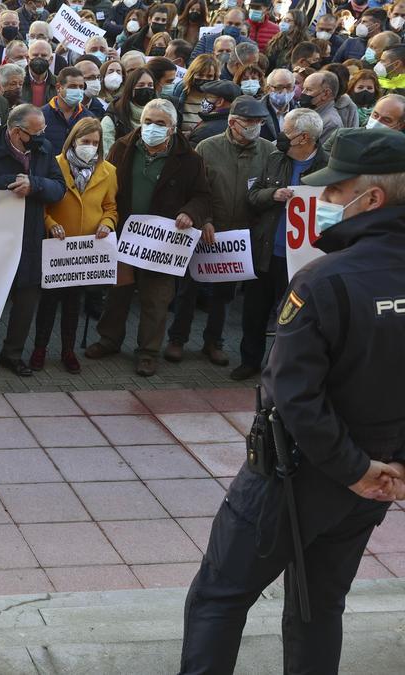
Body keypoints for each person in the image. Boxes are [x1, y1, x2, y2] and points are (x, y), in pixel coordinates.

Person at [180, 127, 405, 674]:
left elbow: (294, 395)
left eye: (332, 192)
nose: (322, 201)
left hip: (295, 475)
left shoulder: (326, 279)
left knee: (219, 596)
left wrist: (353, 469)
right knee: (318, 606)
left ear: (371, 199)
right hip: (376, 478)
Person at [86, 98, 210, 377]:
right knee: (118, 292)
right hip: (124, 235)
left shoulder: (190, 159)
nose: (152, 127)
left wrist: (189, 213)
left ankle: (148, 352)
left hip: (162, 241)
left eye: (160, 124)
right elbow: (106, 183)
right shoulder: (122, 147)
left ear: (173, 129)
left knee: (156, 298)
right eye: (147, 122)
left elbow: (202, 196)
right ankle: (109, 339)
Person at [0, 103, 67, 381]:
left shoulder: (43, 151)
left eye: (43, 129)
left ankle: (12, 354)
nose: (42, 135)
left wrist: (35, 185)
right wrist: (11, 182)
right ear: (17, 132)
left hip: (30, 239)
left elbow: (59, 189)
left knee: (25, 304)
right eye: (37, 131)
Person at [169, 95, 273, 369]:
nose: (255, 126)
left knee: (224, 294)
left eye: (259, 121)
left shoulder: (267, 151)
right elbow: (195, 190)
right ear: (233, 122)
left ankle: (213, 342)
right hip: (204, 231)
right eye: (249, 121)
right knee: (188, 289)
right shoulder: (207, 147)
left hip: (240, 236)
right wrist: (204, 220)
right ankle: (177, 339)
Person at [234, 107, 327, 381]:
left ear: (304, 138)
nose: (280, 137)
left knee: (293, 317)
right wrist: (272, 194)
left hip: (301, 259)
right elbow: (252, 196)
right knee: (254, 312)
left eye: (287, 132)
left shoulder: (327, 166)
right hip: (267, 252)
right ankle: (249, 361)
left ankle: (282, 367)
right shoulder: (275, 159)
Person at [35, 117, 117, 374]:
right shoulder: (55, 165)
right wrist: (49, 224)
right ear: (73, 140)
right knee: (48, 304)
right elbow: (41, 205)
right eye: (85, 141)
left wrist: (107, 223)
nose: (90, 147)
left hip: (85, 253)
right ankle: (39, 349)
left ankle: (68, 351)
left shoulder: (108, 171)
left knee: (73, 306)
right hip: (57, 248)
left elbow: (110, 207)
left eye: (95, 143)